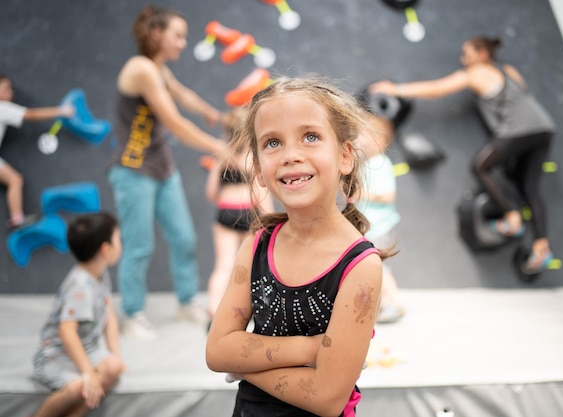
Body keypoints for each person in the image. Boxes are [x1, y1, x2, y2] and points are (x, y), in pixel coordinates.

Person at [206, 77, 390, 417]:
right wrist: (308, 349)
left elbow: (327, 398)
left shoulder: (360, 265)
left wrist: (244, 365)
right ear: (258, 169)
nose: (291, 155)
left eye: (310, 137)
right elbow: (217, 350)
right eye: (273, 143)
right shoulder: (257, 245)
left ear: (345, 156)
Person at [370, 36, 555, 274]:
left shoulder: (475, 73)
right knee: (529, 188)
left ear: (482, 54)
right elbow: (522, 95)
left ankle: (512, 218)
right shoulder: (508, 70)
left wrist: (395, 89)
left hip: (518, 129)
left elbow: (437, 89)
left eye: (466, 54)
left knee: (481, 167)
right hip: (544, 128)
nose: (462, 59)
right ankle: (542, 248)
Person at [108, 5, 229, 339]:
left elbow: (183, 95)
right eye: (178, 35)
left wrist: (213, 114)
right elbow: (174, 120)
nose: (183, 43)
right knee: (139, 246)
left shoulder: (158, 68)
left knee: (184, 239)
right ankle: (132, 313)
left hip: (162, 168)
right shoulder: (141, 69)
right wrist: (218, 147)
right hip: (133, 171)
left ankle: (186, 300)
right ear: (156, 33)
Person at [32, 212, 125, 417]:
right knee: (77, 388)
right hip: (56, 355)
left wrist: (114, 355)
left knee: (114, 367)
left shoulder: (99, 272)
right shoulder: (81, 285)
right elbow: (67, 332)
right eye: (119, 239)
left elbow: (109, 317)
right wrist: (88, 373)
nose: (122, 244)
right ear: (106, 249)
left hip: (87, 349)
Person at [204, 107, 274, 329]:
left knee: (224, 264)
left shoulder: (222, 156)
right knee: (253, 266)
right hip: (249, 212)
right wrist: (270, 219)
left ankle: (214, 311)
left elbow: (211, 193)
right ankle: (256, 311)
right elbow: (260, 193)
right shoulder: (253, 157)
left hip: (226, 212)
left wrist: (225, 199)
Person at [0, 74, 74, 230]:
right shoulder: (2, 107)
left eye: (10, 89)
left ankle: (17, 219)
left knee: (15, 180)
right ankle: (17, 220)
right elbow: (30, 114)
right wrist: (61, 111)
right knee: (15, 180)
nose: (9, 93)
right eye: (5, 88)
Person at [356, 114, 404, 323]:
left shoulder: (381, 163)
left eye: (367, 135)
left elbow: (387, 195)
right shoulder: (366, 164)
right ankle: (383, 304)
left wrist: (361, 194)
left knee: (379, 267)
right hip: (370, 227)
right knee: (372, 267)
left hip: (380, 227)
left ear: (381, 141)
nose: (361, 140)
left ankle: (394, 303)